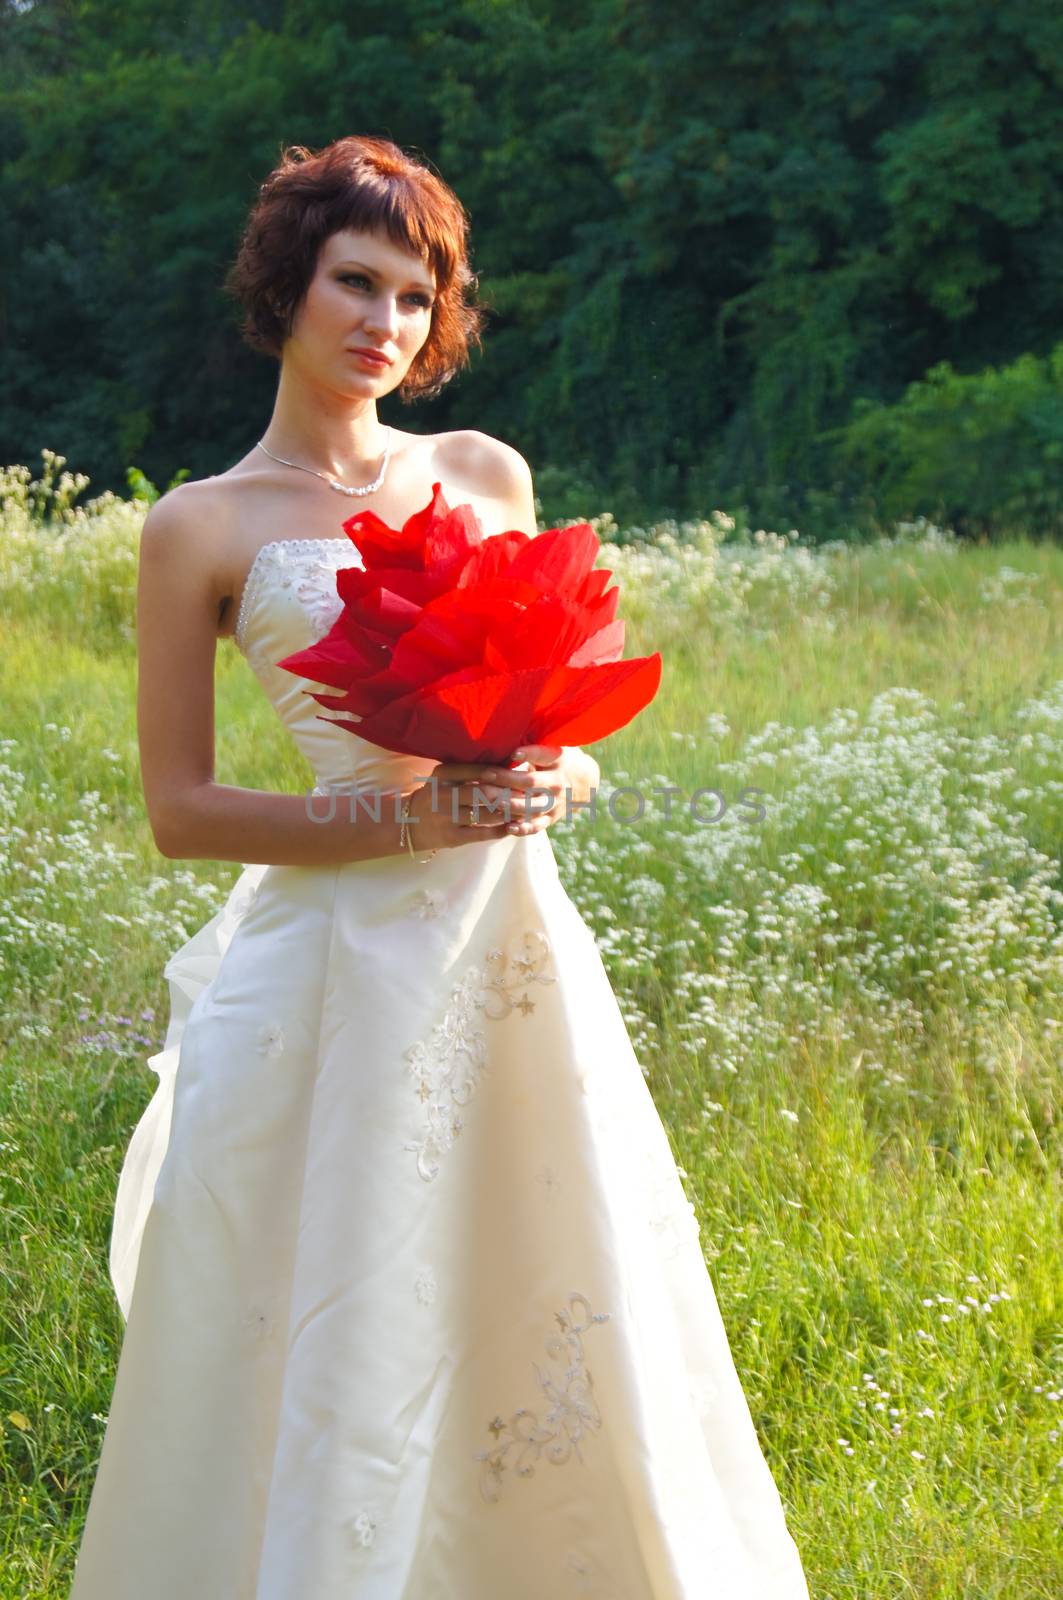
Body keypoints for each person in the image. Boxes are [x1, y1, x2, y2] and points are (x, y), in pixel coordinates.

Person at [68, 135, 810, 1598]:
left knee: (549, 1269)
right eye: (355, 281)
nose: (384, 323)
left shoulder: (483, 473)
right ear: (286, 285)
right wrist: (400, 821)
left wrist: (552, 771)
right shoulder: (200, 526)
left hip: (508, 949)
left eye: (417, 296)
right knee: (330, 1299)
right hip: (332, 970)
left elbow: (571, 721)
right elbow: (182, 810)